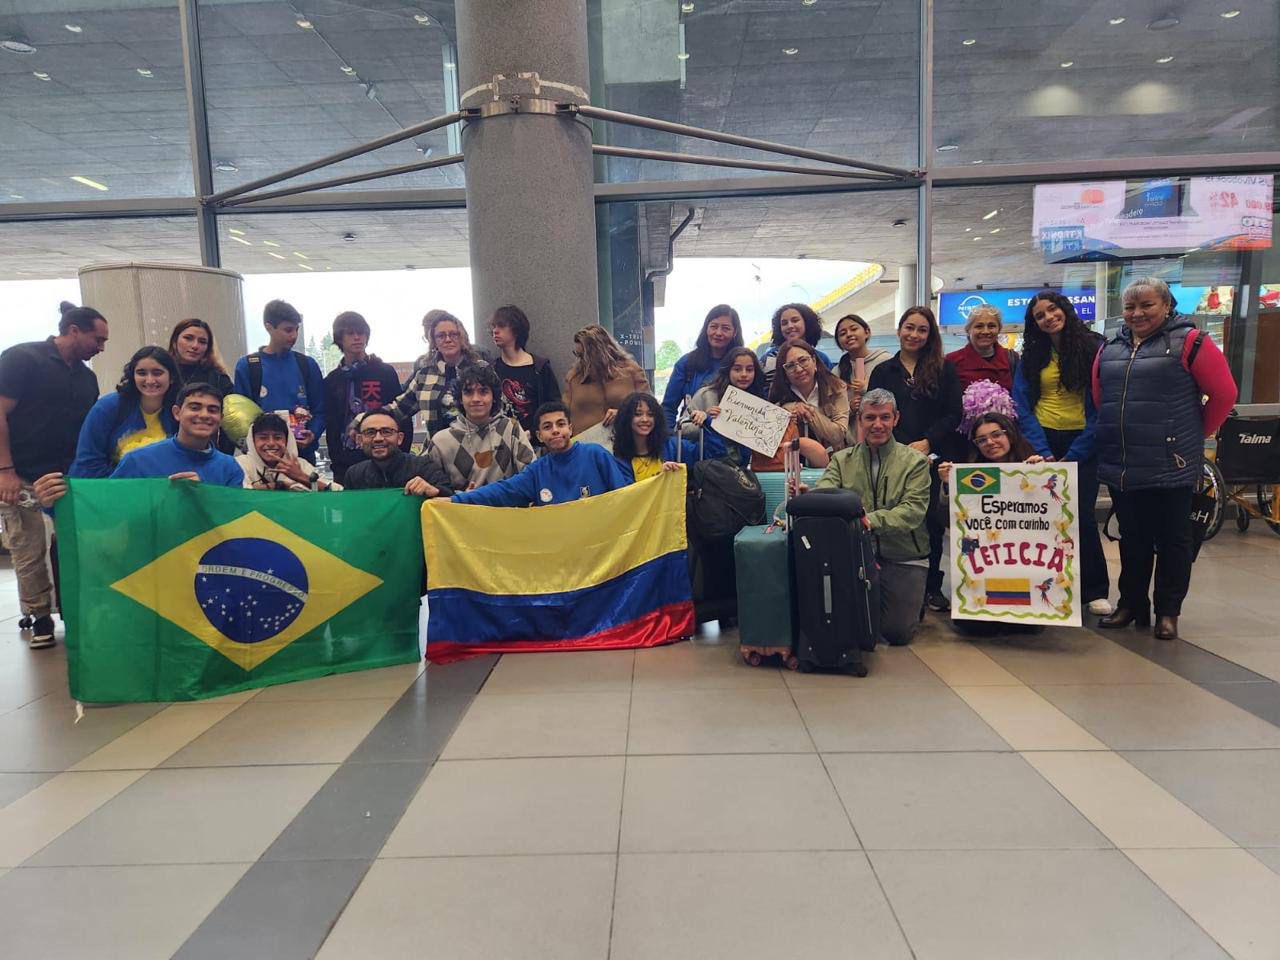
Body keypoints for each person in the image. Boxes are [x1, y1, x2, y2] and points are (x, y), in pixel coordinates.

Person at [1093, 277, 1237, 641]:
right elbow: (1100, 397)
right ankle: (1131, 603)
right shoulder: (1110, 347)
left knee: (1174, 541)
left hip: (1170, 463)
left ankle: (1168, 612)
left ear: (1167, 305)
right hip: (1123, 463)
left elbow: (1224, 394)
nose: (1137, 313)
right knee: (1132, 538)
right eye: (1130, 307)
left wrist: (1194, 435)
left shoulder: (1192, 343)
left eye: (1147, 305)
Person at [0, 302, 107, 648]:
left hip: (68, 477)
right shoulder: (22, 360)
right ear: (74, 331)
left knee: (74, 547)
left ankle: (74, 610)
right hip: (21, 475)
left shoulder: (87, 378)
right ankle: (40, 615)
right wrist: (5, 471)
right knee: (28, 548)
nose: (101, 347)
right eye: (98, 338)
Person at [793, 388, 931, 646]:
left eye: (885, 417)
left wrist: (871, 520)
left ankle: (913, 601)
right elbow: (828, 490)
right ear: (860, 419)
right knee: (853, 626)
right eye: (870, 418)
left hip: (905, 556)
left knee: (896, 633)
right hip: (856, 554)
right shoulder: (842, 459)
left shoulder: (916, 462)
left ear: (896, 418)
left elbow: (912, 512)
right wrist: (810, 495)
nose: (877, 425)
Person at [1013, 291, 1110, 616]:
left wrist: (1075, 453)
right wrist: (1042, 451)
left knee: (1080, 516)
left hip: (1083, 442)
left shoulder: (1094, 347)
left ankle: (1094, 588)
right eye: (1040, 315)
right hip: (1043, 443)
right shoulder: (1031, 356)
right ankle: (1051, 587)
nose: (1048, 317)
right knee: (1045, 519)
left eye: (1052, 309)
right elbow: (1022, 405)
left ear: (1064, 309)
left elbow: (1101, 405)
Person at [869, 305, 962, 612]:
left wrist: (927, 441)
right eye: (909, 327)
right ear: (899, 330)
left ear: (930, 334)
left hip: (930, 456)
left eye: (922, 329)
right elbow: (875, 415)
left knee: (930, 520)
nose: (914, 334)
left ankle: (931, 586)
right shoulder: (884, 371)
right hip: (891, 457)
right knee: (893, 514)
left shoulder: (943, 369)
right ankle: (891, 580)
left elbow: (953, 413)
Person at [34, 382, 244, 507]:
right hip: (147, 567)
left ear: (221, 418)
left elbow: (234, 521)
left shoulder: (230, 468)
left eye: (212, 410)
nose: (204, 415)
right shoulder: (138, 461)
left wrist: (204, 494)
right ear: (177, 413)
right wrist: (54, 503)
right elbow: (105, 507)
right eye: (195, 407)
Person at [451, 401, 629, 507]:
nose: (555, 431)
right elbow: (502, 491)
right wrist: (456, 500)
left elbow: (624, 498)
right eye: (547, 427)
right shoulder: (536, 472)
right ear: (539, 436)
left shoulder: (596, 455)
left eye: (561, 424)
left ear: (571, 429)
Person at [232, 299, 326, 462]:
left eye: (296, 329)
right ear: (269, 327)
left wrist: (313, 434)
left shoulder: (307, 364)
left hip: (302, 456)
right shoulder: (248, 366)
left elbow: (321, 409)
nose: (294, 336)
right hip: (262, 458)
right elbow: (241, 417)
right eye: (288, 330)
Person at [69, 346, 179, 478]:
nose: (149, 380)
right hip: (111, 488)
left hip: (164, 489)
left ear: (171, 377)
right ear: (132, 376)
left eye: (157, 373)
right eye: (142, 373)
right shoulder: (107, 407)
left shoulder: (180, 410)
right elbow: (88, 463)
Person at [322, 311, 404, 484]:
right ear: (339, 338)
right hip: (346, 460)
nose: (357, 338)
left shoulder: (384, 372)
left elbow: (400, 413)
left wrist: (401, 454)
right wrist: (337, 460)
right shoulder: (332, 380)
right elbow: (332, 424)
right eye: (350, 333)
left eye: (361, 333)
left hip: (385, 455)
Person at [426, 364, 536, 492]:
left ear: (494, 397)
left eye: (483, 392)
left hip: (506, 509)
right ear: (460, 399)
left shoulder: (510, 428)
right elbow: (432, 489)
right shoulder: (440, 442)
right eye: (468, 392)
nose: (476, 399)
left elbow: (531, 474)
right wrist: (460, 496)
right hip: (460, 510)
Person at [391, 309, 490, 445]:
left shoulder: (481, 367)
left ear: (462, 337)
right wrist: (364, 419)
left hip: (478, 450)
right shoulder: (425, 374)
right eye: (441, 336)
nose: (448, 339)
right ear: (434, 341)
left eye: (453, 334)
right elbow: (400, 409)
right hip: (438, 452)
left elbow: (498, 409)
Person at [661, 305, 743, 428]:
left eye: (726, 328)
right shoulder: (686, 363)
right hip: (693, 441)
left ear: (735, 332)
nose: (718, 333)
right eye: (714, 327)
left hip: (731, 442)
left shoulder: (743, 365)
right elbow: (668, 408)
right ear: (706, 328)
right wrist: (669, 441)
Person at [342, 409, 454, 497]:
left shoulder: (423, 467)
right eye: (370, 432)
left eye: (386, 432)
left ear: (400, 438)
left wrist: (433, 491)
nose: (378, 438)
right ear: (360, 440)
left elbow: (450, 499)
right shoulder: (354, 475)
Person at [490, 305, 561, 443]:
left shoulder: (540, 367)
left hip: (536, 444)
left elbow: (554, 406)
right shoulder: (492, 369)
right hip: (500, 444)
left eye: (502, 326)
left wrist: (534, 433)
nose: (495, 331)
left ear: (516, 330)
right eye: (494, 326)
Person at [563, 324, 649, 435]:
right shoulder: (574, 377)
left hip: (625, 441)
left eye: (584, 355)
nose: (581, 360)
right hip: (586, 446)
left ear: (600, 350)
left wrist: (623, 413)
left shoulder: (630, 371)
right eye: (577, 355)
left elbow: (649, 407)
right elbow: (564, 415)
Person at [687, 346, 767, 464]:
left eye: (749, 369)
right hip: (711, 466)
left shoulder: (760, 401)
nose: (744, 374)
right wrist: (705, 421)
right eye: (737, 369)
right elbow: (682, 430)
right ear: (727, 370)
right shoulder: (706, 395)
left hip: (747, 468)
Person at [768, 339, 850, 454]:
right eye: (790, 366)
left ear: (814, 361)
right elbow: (770, 438)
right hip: (789, 463)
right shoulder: (778, 394)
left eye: (803, 361)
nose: (799, 369)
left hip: (832, 461)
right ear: (784, 372)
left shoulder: (836, 387)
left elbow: (838, 435)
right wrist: (789, 408)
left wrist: (808, 411)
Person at [238, 412, 340, 491]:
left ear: (287, 440)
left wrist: (300, 476)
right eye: (263, 438)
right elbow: (239, 494)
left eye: (277, 437)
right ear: (252, 441)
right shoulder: (241, 464)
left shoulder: (299, 464)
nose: (271, 443)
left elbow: (338, 491)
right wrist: (280, 485)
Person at [612, 392, 697, 482]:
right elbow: (631, 493)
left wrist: (707, 421)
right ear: (626, 418)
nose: (645, 419)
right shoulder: (620, 459)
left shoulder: (671, 445)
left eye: (650, 414)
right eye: (638, 414)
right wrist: (660, 477)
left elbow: (707, 454)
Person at [946, 304, 1019, 392]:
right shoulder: (952, 361)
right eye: (979, 326)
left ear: (999, 329)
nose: (985, 331)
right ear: (968, 330)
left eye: (991, 326)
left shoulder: (1011, 358)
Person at [761, 302, 833, 390]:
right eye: (784, 323)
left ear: (807, 322)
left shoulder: (822, 358)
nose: (790, 326)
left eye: (795, 320)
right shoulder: (769, 357)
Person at [834, 313, 892, 412]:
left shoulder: (886, 360)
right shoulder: (836, 372)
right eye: (843, 333)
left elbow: (896, 396)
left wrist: (867, 390)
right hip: (851, 427)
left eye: (854, 329)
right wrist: (849, 408)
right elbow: (832, 410)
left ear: (867, 332)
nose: (849, 334)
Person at [168, 318, 233, 395]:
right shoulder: (161, 373)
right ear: (174, 341)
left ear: (208, 348)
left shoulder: (218, 378)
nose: (195, 346)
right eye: (188, 338)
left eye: (202, 342)